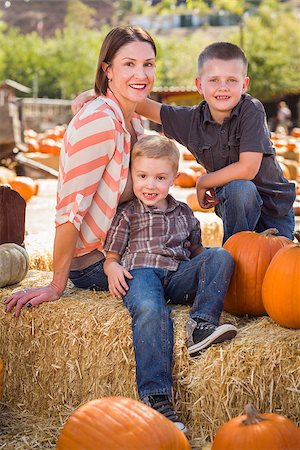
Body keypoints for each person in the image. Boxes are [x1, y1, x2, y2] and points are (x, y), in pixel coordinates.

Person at [73, 42, 296, 243]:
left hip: (274, 210)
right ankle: (237, 255)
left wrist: (203, 182)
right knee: (240, 191)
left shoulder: (250, 109)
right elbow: (142, 104)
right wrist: (99, 93)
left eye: (232, 80)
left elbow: (248, 168)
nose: (223, 87)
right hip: (237, 204)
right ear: (199, 84)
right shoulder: (191, 121)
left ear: (244, 84)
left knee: (277, 268)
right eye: (214, 80)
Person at [4, 25, 156, 317]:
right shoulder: (99, 122)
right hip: (94, 263)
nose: (141, 74)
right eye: (129, 64)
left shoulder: (134, 120)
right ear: (107, 69)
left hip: (124, 247)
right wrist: (55, 286)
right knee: (184, 278)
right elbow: (70, 210)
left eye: (148, 64)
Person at [103, 134, 237, 432]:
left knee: (221, 256)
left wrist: (210, 267)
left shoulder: (184, 213)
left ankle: (201, 325)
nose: (150, 185)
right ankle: (157, 398)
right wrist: (112, 267)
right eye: (143, 176)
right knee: (151, 310)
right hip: (141, 273)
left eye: (160, 177)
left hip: (176, 274)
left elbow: (198, 254)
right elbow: (111, 256)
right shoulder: (127, 214)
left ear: (174, 178)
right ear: (131, 176)